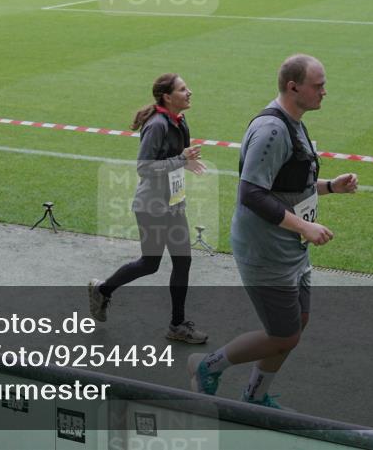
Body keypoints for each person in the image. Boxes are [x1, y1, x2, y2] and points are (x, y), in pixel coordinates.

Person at [187, 54, 358, 408]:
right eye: (319, 85)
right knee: (284, 334)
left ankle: (255, 395)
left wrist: (329, 187)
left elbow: (289, 184)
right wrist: (306, 227)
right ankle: (207, 366)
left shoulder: (295, 122)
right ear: (293, 87)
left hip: (291, 248)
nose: (325, 92)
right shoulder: (272, 130)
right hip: (266, 252)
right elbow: (250, 193)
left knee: (299, 323)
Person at [88, 73, 208, 344]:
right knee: (150, 264)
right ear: (167, 96)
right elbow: (144, 167)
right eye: (183, 89)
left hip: (173, 204)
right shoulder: (156, 125)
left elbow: (173, 159)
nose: (190, 92)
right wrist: (181, 159)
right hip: (152, 207)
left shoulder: (179, 120)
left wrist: (185, 162)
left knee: (183, 260)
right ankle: (103, 289)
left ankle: (177, 325)